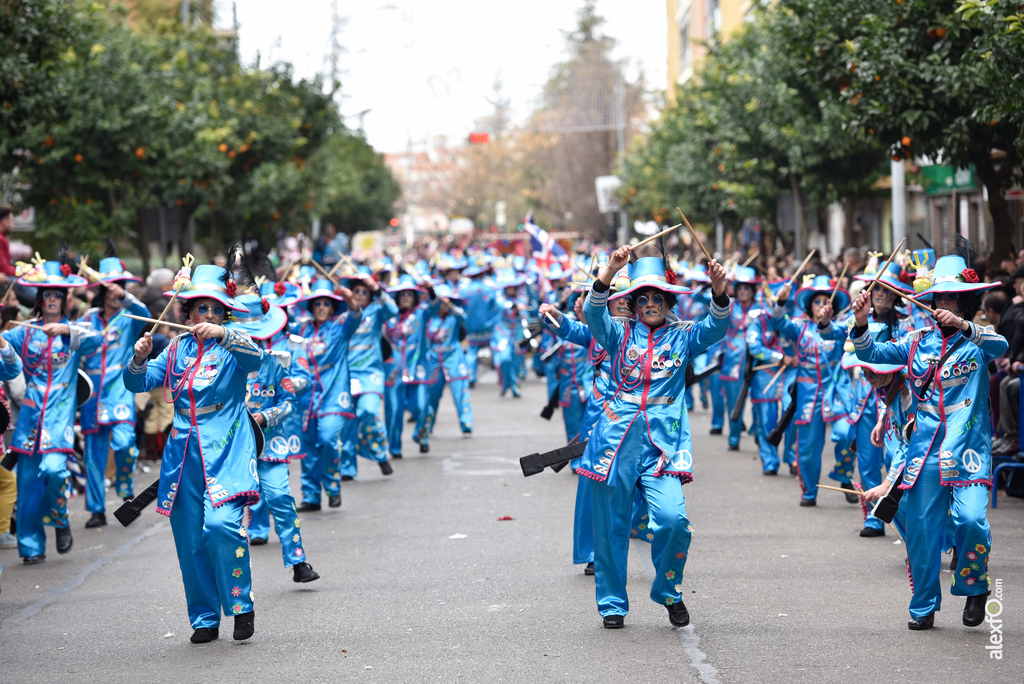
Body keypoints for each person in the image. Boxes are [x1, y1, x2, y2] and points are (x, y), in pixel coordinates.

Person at [850, 236, 1004, 630]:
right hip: (926, 451)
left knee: (971, 521)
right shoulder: (917, 342)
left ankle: (975, 587)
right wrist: (862, 322)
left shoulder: (978, 340)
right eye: (939, 298)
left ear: (965, 302)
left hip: (968, 449)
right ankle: (923, 606)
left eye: (952, 299)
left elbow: (1001, 346)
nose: (943, 305)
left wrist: (966, 326)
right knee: (921, 530)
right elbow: (872, 355)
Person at [581, 245, 730, 629]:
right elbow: (593, 313)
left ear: (668, 300)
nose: (650, 304)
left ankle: (668, 591)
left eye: (657, 297)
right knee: (611, 528)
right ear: (631, 304)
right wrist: (609, 271)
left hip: (662, 447)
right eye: (642, 298)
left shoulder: (684, 335)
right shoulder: (617, 333)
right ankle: (612, 604)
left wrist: (718, 290)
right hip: (613, 445)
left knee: (672, 520)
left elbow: (716, 327)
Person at [124, 264, 266, 643]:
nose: (207, 316)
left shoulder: (234, 345)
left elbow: (257, 359)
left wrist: (225, 334)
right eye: (201, 309)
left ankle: (241, 605)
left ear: (226, 314)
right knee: (189, 540)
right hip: (183, 451)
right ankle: (204, 618)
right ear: (187, 313)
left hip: (229, 444)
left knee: (220, 526)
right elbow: (139, 381)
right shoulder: (175, 348)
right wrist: (138, 358)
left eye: (216, 309)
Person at [5, 261, 100, 563]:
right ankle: (31, 548)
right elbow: (6, 361)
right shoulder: (25, 332)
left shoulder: (75, 330)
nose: (51, 300)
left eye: (57, 294)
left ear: (65, 299)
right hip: (30, 417)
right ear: (39, 298)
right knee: (28, 484)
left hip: (59, 415)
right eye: (46, 294)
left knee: (55, 470)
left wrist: (65, 330)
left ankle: (59, 518)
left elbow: (95, 341)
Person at [227, 293, 320, 584]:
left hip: (270, 444)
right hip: (230, 447)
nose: (251, 341)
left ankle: (298, 561)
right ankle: (230, 574)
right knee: (228, 511)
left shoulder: (274, 362)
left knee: (280, 496)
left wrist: (265, 417)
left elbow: (289, 400)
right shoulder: (220, 363)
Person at [78, 258, 150, 528]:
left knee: (125, 445)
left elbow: (145, 312)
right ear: (101, 291)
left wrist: (127, 296)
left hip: (120, 389)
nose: (115, 292)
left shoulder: (129, 317)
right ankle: (96, 510)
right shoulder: (88, 318)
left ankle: (125, 487)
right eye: (111, 287)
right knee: (94, 456)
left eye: (120, 286)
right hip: (92, 394)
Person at [769, 274, 850, 506]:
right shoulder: (799, 327)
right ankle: (809, 492)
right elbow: (778, 321)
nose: (821, 305)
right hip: (807, 394)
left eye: (826, 301)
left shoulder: (841, 328)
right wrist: (781, 302)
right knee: (807, 447)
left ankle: (844, 474)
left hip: (836, 391)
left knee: (848, 433)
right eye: (817, 301)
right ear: (809, 305)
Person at [291, 278, 362, 510]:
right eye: (317, 303)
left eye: (326, 303)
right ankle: (311, 496)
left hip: (334, 395)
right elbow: (278, 326)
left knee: (328, 438)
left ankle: (332, 486)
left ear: (333, 307)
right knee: (309, 447)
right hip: (306, 396)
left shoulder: (340, 328)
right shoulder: (301, 329)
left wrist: (350, 299)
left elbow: (354, 316)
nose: (321, 307)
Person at [341, 269, 399, 478]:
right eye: (355, 291)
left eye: (363, 291)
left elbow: (393, 309)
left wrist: (375, 287)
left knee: (368, 412)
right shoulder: (344, 314)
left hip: (371, 374)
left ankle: (380, 454)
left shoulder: (376, 311)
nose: (359, 294)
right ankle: (347, 468)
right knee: (347, 422)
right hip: (346, 375)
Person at [0, 205, 17, 283]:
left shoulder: (3, 237)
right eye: (12, 221)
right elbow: (4, 268)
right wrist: (24, 273)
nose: (13, 225)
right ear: (5, 222)